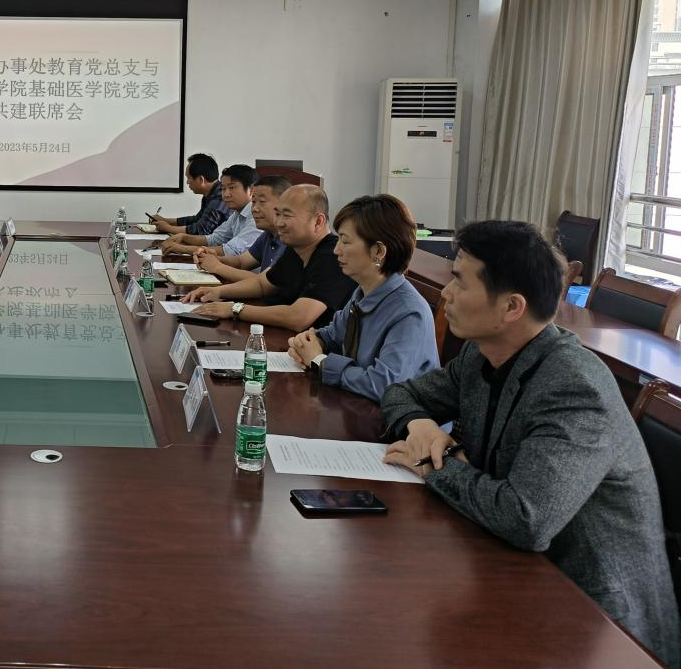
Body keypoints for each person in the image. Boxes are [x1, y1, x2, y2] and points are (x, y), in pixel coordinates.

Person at [381, 221, 678, 667]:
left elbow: (526, 519)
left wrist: (436, 464)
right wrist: (420, 425)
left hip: (599, 623)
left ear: (512, 307)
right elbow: (400, 394)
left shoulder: (574, 388)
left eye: (460, 281)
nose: (446, 293)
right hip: (511, 569)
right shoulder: (482, 354)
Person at [287, 194, 438, 401]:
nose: (336, 250)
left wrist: (320, 361)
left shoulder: (409, 312)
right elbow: (332, 335)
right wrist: (307, 343)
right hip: (358, 408)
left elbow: (384, 386)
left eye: (345, 241)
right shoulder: (364, 292)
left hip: (399, 419)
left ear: (378, 251)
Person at [184, 185, 355, 330]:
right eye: (277, 214)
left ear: (318, 221)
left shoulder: (333, 256)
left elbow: (298, 317)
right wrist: (218, 292)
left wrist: (235, 309)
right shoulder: (297, 248)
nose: (278, 223)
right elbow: (262, 284)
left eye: (286, 215)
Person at [194, 174, 289, 282]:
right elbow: (241, 262)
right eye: (253, 202)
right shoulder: (267, 235)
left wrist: (217, 267)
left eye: (262, 202)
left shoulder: (289, 241)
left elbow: (265, 282)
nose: (255, 209)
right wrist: (213, 258)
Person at [159, 164, 256, 254]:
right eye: (223, 188)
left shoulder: (256, 216)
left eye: (232, 187)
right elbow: (214, 239)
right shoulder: (236, 214)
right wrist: (184, 237)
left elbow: (231, 251)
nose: (226, 194)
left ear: (251, 190)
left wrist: (182, 248)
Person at [148, 153, 224, 236]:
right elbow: (197, 219)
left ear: (201, 180)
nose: (187, 182)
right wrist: (166, 221)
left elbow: (202, 230)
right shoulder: (211, 193)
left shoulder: (220, 196)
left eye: (188, 178)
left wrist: (168, 228)